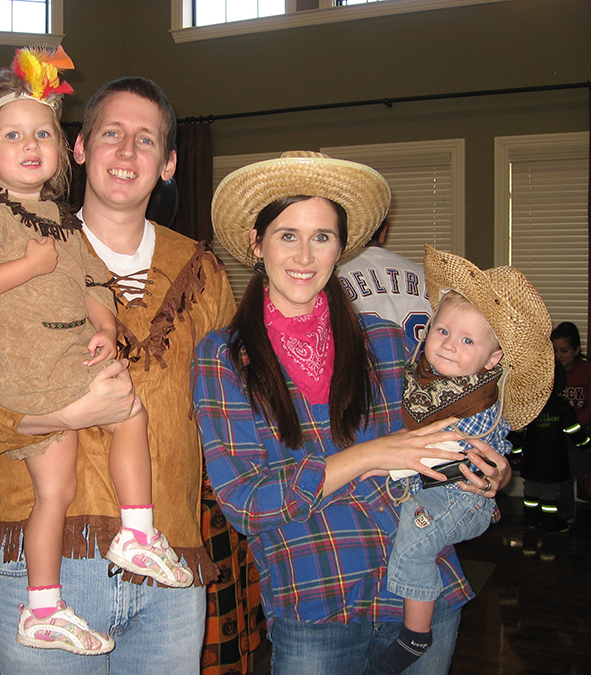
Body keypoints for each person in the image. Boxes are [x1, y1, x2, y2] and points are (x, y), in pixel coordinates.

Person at [0, 75, 237, 673]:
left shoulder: (202, 272)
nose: (127, 152)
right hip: (45, 574)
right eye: (111, 134)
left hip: (169, 567)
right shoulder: (15, 249)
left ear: (169, 163)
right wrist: (58, 417)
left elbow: (234, 399)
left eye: (146, 140)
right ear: (78, 147)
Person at [193, 151, 510, 675]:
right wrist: (368, 456)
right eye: (286, 234)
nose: (304, 254)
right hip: (318, 596)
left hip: (423, 591)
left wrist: (486, 470)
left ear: (341, 248)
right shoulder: (224, 356)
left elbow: (454, 425)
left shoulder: (386, 342)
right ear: (257, 242)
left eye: (322, 236)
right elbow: (246, 502)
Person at [378, 246, 553, 673]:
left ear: (493, 360)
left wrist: (381, 461)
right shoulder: (427, 377)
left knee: (413, 542)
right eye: (442, 332)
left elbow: (449, 452)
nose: (450, 346)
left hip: (461, 496)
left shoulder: (477, 399)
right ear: (426, 329)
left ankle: (416, 635)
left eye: (468, 340)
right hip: (440, 489)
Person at [511, 361, 591, 535]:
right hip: (554, 460)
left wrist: (516, 453)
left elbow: (517, 430)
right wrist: (586, 443)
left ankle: (530, 520)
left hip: (531, 459)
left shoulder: (529, 405)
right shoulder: (563, 407)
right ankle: (549, 523)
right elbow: (574, 430)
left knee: (531, 491)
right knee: (551, 493)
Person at [337, 220, 430, 354]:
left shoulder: (329, 277)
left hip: (360, 373)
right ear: (383, 232)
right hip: (422, 372)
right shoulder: (429, 279)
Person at [551, 321, 591, 503]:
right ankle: (588, 479)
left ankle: (564, 510)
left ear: (576, 350)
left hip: (583, 427)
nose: (558, 356)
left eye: (564, 351)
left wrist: (571, 424)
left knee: (566, 441)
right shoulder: (547, 372)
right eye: (554, 351)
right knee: (562, 443)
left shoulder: (589, 371)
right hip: (555, 427)